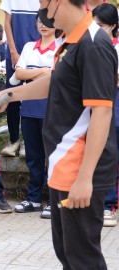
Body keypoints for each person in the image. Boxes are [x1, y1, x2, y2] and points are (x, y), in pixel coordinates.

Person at [0, 0, 117, 267]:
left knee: (83, 258)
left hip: (79, 169)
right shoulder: (69, 41)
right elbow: (55, 83)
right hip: (62, 165)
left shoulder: (93, 44)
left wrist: (85, 178)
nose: (40, 8)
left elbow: (101, 113)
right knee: (67, 253)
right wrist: (9, 95)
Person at [12, 13, 59, 219]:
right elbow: (19, 74)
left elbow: (57, 74)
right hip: (29, 109)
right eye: (40, 22)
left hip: (53, 109)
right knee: (34, 157)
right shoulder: (29, 47)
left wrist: (34, 73)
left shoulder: (62, 45)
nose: (43, 26)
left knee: (53, 156)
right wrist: (43, 71)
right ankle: (33, 198)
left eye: (48, 22)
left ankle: (54, 201)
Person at [0, 0, 40, 157]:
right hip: (15, 53)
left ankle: (27, 142)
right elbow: (7, 23)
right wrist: (13, 51)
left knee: (34, 97)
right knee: (12, 96)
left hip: (38, 54)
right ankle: (14, 139)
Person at [92, 2, 118, 227]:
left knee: (110, 155)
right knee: (101, 154)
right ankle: (103, 203)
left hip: (114, 105)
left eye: (101, 25)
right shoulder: (91, 45)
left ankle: (109, 205)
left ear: (113, 26)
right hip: (96, 106)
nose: (96, 28)